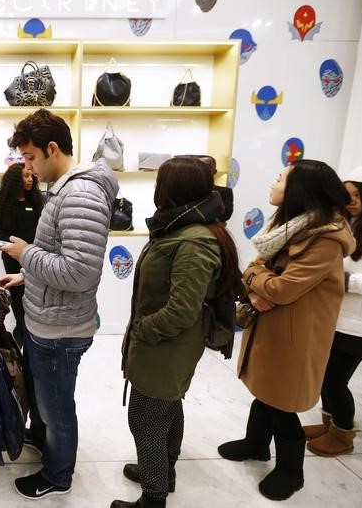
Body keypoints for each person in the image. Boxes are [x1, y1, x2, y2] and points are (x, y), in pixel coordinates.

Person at [0, 108, 118, 500]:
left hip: (60, 329)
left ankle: (57, 475)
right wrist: (27, 275)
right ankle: (46, 444)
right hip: (48, 319)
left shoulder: (80, 193)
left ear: (52, 148)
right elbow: (61, 255)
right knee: (47, 403)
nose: (27, 166)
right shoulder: (67, 189)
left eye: (30, 157)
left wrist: (24, 254)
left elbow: (80, 272)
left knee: (56, 409)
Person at [217, 160, 355, 501]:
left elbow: (282, 290)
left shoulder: (325, 240)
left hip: (296, 337)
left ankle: (291, 473)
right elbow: (257, 268)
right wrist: (254, 288)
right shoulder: (293, 226)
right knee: (267, 392)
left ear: (298, 190)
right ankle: (256, 445)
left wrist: (257, 283)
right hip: (274, 328)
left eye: (280, 179)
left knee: (282, 405)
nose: (273, 183)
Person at [112, 157, 241, 508]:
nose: (155, 188)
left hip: (165, 347)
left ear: (171, 189)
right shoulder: (182, 227)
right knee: (166, 408)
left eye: (159, 182)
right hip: (165, 347)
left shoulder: (193, 241)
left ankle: (153, 498)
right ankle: (163, 473)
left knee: (144, 422)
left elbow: (182, 310)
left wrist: (143, 330)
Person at [302, 162, 362, 456]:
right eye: (346, 195)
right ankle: (330, 425)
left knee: (334, 382)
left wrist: (350, 281)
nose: (350, 202)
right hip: (335, 318)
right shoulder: (350, 224)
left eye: (357, 195)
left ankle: (343, 435)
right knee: (323, 378)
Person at [0, 163, 44, 347]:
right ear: (16, 179)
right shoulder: (2, 200)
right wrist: (10, 249)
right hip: (12, 258)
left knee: (34, 294)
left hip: (35, 257)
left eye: (32, 175)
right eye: (25, 176)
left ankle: (32, 332)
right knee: (17, 295)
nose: (30, 179)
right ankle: (21, 331)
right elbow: (0, 234)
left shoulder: (37, 200)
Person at [180, 155, 234, 223]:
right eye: (200, 165)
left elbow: (224, 216)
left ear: (215, 171)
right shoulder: (185, 190)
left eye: (208, 166)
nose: (203, 168)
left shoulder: (224, 192)